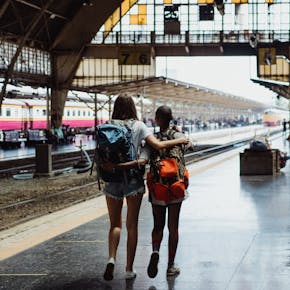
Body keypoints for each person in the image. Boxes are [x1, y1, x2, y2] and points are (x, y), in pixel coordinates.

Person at [101, 94, 189, 281]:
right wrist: (180, 138)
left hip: (116, 182)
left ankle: (111, 259)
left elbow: (141, 157)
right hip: (145, 182)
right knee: (136, 225)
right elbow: (178, 147)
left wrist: (114, 167)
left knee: (116, 225)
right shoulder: (141, 126)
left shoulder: (109, 125)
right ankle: (134, 268)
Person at [146, 105, 192, 278]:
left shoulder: (152, 139)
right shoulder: (180, 137)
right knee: (173, 227)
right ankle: (170, 266)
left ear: (157, 120)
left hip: (158, 188)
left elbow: (144, 156)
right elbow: (190, 146)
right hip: (175, 187)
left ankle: (156, 251)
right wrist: (178, 133)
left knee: (158, 225)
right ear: (171, 119)